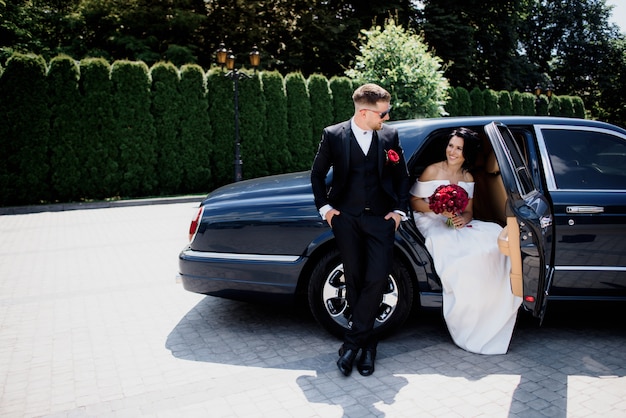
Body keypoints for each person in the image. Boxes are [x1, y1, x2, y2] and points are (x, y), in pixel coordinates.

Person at [311, 83, 410, 376]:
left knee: (377, 278)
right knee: (354, 278)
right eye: (384, 113)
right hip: (347, 219)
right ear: (365, 112)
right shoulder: (333, 135)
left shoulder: (389, 136)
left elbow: (401, 176)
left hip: (381, 220)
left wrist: (398, 212)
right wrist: (326, 210)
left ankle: (353, 344)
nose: (387, 118)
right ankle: (368, 348)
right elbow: (317, 175)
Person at [409, 127, 522, 355]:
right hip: (430, 220)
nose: (452, 151)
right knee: (462, 255)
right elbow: (413, 202)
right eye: (451, 146)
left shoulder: (467, 177)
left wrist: (461, 219)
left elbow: (469, 212)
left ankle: (489, 307)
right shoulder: (432, 170)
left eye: (459, 148)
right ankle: (465, 313)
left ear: (466, 153)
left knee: (492, 237)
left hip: (453, 222)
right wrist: (438, 208)